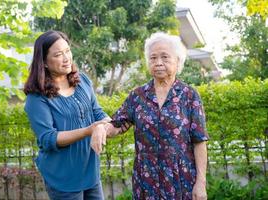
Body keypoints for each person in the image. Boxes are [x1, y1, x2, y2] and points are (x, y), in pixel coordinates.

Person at [91, 32, 209, 200]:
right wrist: (101, 128)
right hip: (146, 181)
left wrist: (201, 183)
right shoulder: (138, 96)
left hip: (182, 180)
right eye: (153, 58)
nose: (158, 62)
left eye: (165, 57)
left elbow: (199, 141)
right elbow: (118, 124)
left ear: (178, 61)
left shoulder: (189, 96)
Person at [24, 30, 109, 200]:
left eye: (68, 51)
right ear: (45, 63)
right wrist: (89, 130)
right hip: (63, 177)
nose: (66, 58)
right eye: (58, 54)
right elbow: (48, 139)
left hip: (90, 171)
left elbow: (98, 113)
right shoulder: (37, 97)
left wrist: (105, 124)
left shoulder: (82, 81)